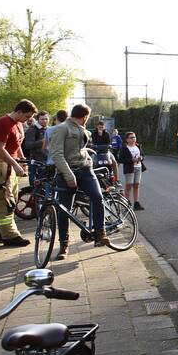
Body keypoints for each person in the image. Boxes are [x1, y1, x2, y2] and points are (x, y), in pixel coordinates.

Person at [50, 104, 109, 258]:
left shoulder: (82, 129)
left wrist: (89, 158)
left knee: (97, 198)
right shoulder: (62, 128)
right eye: (87, 118)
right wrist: (69, 175)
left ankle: (99, 234)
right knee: (64, 210)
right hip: (67, 173)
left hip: (85, 170)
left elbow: (81, 149)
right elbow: (57, 154)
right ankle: (64, 246)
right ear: (85, 116)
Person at [0, 100, 37, 247]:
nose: (28, 120)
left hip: (9, 165)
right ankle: (10, 236)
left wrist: (22, 161)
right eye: (27, 116)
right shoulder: (3, 123)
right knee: (3, 200)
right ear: (19, 112)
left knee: (12, 198)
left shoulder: (18, 124)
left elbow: (17, 145)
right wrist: (15, 164)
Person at [117, 132, 146, 210]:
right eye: (131, 137)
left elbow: (143, 155)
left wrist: (141, 158)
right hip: (129, 168)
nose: (133, 139)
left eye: (134, 137)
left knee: (136, 185)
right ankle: (126, 203)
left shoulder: (138, 146)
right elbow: (120, 159)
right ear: (127, 139)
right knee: (129, 186)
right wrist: (131, 160)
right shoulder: (124, 148)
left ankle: (136, 203)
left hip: (138, 167)